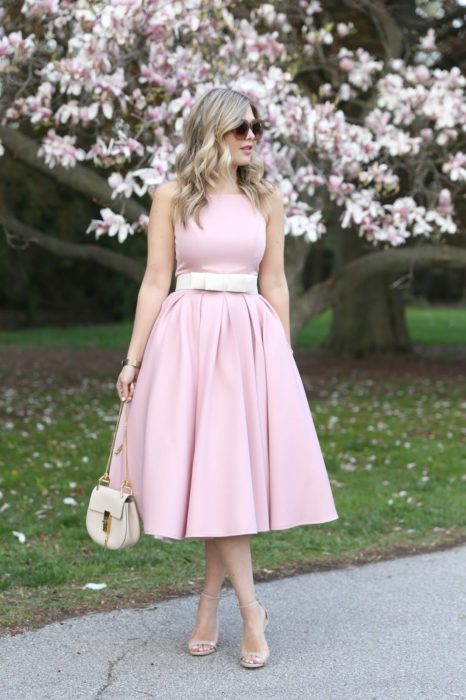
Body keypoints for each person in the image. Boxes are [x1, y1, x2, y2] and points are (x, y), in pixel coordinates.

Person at [109, 86, 338, 669]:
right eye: (241, 128)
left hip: (248, 344)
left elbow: (276, 282)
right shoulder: (171, 196)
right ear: (212, 130)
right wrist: (133, 358)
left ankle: (221, 605)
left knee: (225, 477)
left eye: (256, 127)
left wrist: (281, 358)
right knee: (216, 476)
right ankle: (244, 609)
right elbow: (155, 282)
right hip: (186, 342)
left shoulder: (266, 197)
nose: (253, 136)